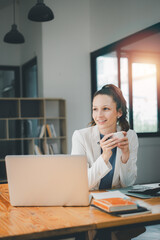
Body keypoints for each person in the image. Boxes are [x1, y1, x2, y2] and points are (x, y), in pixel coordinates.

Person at [71, 84, 138, 191]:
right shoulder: (80, 137)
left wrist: (125, 157)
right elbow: (82, 183)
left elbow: (128, 184)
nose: (99, 115)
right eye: (95, 109)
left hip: (118, 199)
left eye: (105, 109)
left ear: (119, 112)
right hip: (90, 199)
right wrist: (105, 156)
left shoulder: (130, 136)